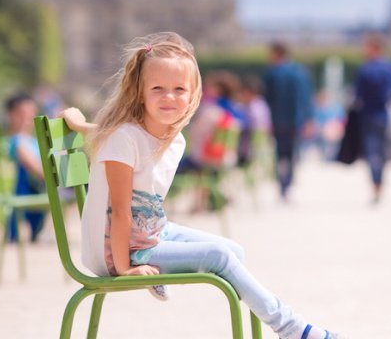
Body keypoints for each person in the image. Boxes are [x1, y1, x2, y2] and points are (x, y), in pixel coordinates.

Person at [59, 32, 344, 339]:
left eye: (179, 89)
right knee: (220, 258)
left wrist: (83, 126)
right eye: (158, 89)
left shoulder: (170, 137)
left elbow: (117, 137)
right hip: (117, 250)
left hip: (151, 233)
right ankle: (291, 329)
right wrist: (126, 268)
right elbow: (120, 210)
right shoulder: (124, 139)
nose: (169, 97)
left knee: (234, 250)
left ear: (194, 94)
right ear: (140, 92)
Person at [353, 32, 391, 204]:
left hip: (369, 115)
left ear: (374, 48)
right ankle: (380, 183)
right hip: (385, 115)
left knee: (371, 153)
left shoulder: (365, 69)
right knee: (382, 153)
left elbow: (358, 97)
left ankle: (375, 184)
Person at [263, 41, 314, 201]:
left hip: (277, 121)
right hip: (295, 121)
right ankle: (288, 184)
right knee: (292, 154)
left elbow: (266, 100)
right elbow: (306, 99)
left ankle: (282, 184)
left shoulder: (271, 73)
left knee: (279, 154)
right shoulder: (299, 73)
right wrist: (309, 119)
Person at [5, 93, 46, 242]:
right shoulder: (16, 141)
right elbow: (32, 166)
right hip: (26, 189)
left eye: (31, 114)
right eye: (22, 114)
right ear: (11, 115)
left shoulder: (33, 142)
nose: (27, 118)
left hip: (38, 188)